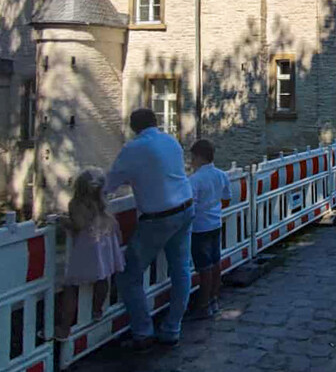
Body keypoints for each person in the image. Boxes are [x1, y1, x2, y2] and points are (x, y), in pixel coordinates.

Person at [106, 108, 194, 351]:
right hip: (185, 208)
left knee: (129, 274)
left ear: (134, 127)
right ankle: (172, 328)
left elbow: (110, 183)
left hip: (159, 217)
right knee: (181, 269)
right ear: (155, 122)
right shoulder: (171, 141)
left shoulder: (133, 149)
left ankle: (143, 331)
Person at [55, 168, 124, 340]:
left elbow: (79, 225)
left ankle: (64, 328)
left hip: (87, 248)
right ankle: (97, 309)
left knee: (71, 285)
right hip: (104, 245)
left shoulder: (76, 204)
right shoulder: (101, 203)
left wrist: (62, 220)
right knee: (103, 278)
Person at [187, 139, 231, 320]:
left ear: (198, 157)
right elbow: (227, 198)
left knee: (203, 267)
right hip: (215, 223)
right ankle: (214, 298)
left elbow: (191, 206)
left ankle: (203, 303)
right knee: (215, 263)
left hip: (200, 227)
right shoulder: (221, 175)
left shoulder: (195, 180)